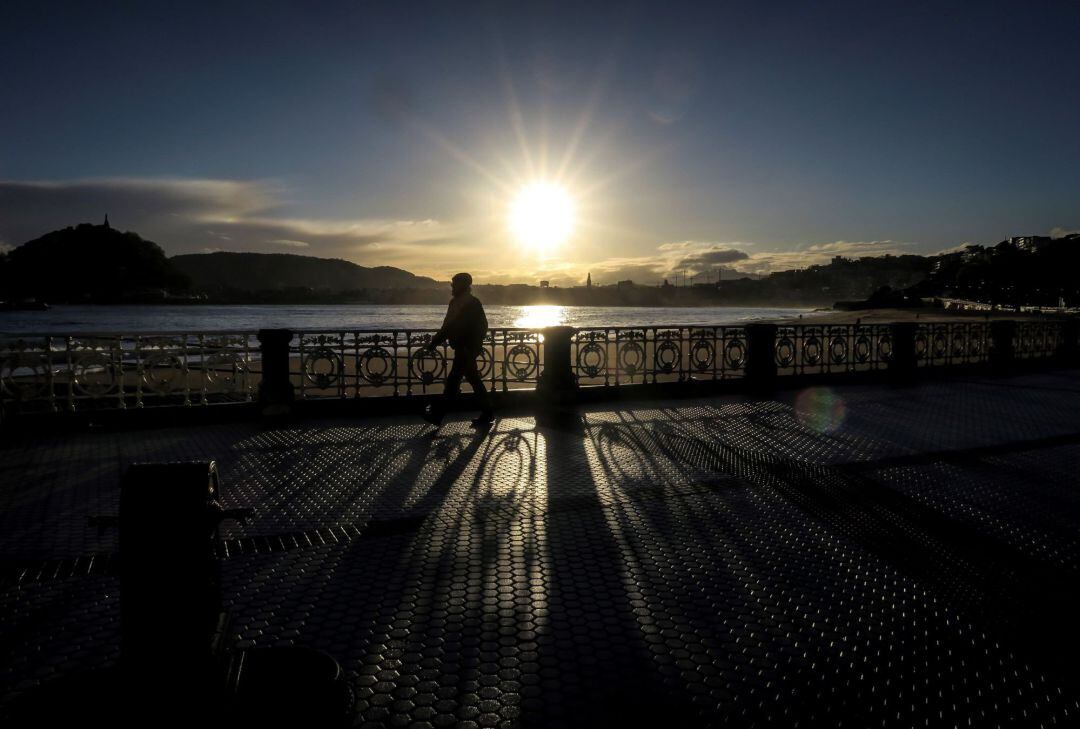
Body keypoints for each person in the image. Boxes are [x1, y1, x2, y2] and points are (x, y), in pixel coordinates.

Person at [421, 272, 494, 428]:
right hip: (466, 349)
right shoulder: (467, 302)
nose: (452, 286)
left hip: (464, 349)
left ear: (463, 285)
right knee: (473, 380)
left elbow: (450, 326)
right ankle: (488, 413)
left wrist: (435, 342)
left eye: (454, 283)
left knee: (453, 382)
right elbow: (480, 327)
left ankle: (437, 414)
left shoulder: (464, 303)